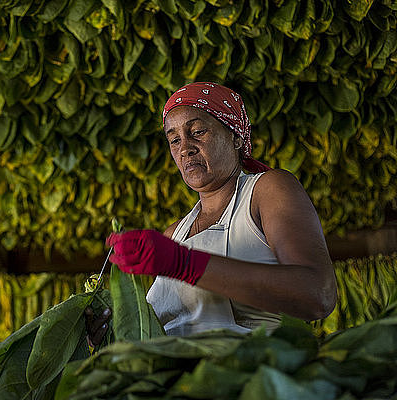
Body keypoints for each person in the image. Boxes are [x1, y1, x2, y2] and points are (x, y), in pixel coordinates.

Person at [86, 82, 337, 344]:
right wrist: (113, 329)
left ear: (236, 137)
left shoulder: (265, 190)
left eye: (198, 131)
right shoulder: (173, 234)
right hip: (181, 380)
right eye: (174, 140)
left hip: (253, 372)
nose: (185, 148)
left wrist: (184, 263)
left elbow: (317, 295)